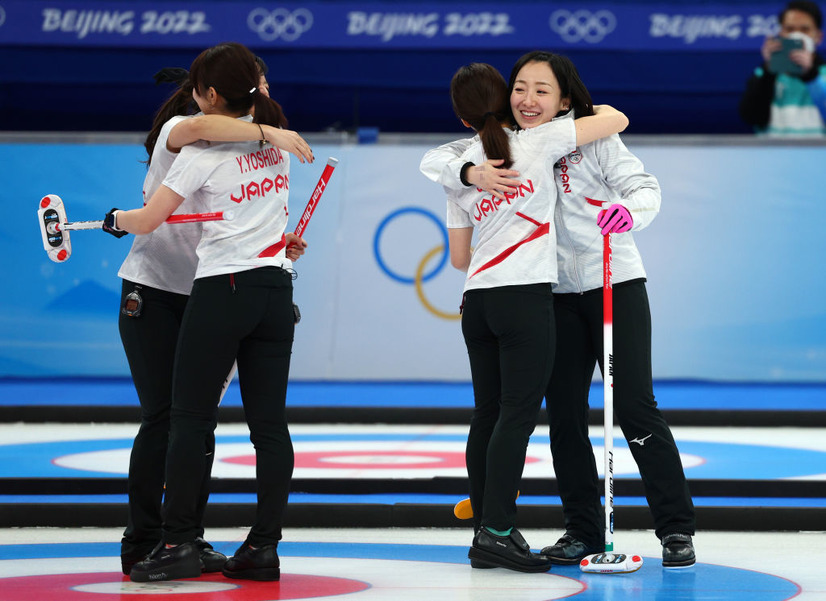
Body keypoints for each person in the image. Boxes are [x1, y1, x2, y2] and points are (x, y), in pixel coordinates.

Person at [421, 50, 696, 569]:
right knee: (565, 418)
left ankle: (676, 529)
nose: (528, 99)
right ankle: (583, 530)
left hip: (613, 283)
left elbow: (644, 187)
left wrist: (628, 212)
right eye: (519, 88)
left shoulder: (592, 136)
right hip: (549, 295)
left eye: (542, 90)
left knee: (636, 405)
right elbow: (437, 161)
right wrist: (471, 172)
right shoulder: (502, 148)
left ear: (564, 98)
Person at [107, 42, 309, 582]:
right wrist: (269, 130)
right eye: (257, 85)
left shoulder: (256, 138)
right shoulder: (185, 127)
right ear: (220, 93)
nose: (264, 93)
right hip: (155, 289)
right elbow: (206, 130)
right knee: (166, 419)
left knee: (195, 420)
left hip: (214, 290)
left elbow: (238, 205)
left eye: (265, 84)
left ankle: (188, 538)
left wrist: (273, 240)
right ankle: (145, 540)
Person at [739, 1, 826, 136]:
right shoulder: (764, 72)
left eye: (805, 29)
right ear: (781, 33)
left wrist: (810, 76)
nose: (797, 36)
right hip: (773, 155)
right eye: (790, 29)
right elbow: (751, 116)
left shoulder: (823, 75)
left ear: (818, 37)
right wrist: (769, 71)